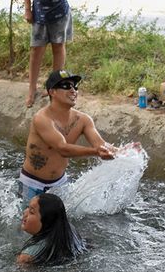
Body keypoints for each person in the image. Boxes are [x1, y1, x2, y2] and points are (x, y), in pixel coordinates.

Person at [19, 70, 115, 208]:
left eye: (75, 87)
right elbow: (62, 148)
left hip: (60, 184)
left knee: (64, 225)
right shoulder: (41, 118)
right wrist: (96, 152)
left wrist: (124, 151)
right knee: (26, 226)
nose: (73, 90)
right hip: (31, 183)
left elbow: (101, 145)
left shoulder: (83, 119)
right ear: (52, 92)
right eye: (66, 86)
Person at [23, 0, 74, 108]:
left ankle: (54, 86)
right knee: (36, 51)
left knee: (58, 48)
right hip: (39, 16)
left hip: (60, 16)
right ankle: (31, 89)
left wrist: (57, 6)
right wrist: (28, 9)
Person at [18, 193, 86, 265]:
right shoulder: (68, 229)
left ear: (46, 221)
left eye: (31, 212)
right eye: (28, 207)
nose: (25, 212)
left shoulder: (27, 257)